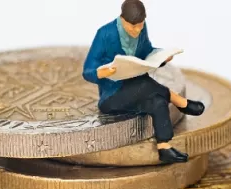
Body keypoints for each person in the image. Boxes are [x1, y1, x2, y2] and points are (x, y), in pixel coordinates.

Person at [82, 0, 205, 164]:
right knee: (146, 84)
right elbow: (87, 70)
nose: (137, 30)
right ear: (122, 19)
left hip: (137, 92)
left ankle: (164, 147)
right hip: (113, 97)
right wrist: (101, 72)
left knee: (158, 101)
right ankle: (181, 102)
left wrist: (161, 57)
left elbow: (147, 52)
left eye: (140, 25)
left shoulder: (141, 29)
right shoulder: (105, 34)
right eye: (132, 27)